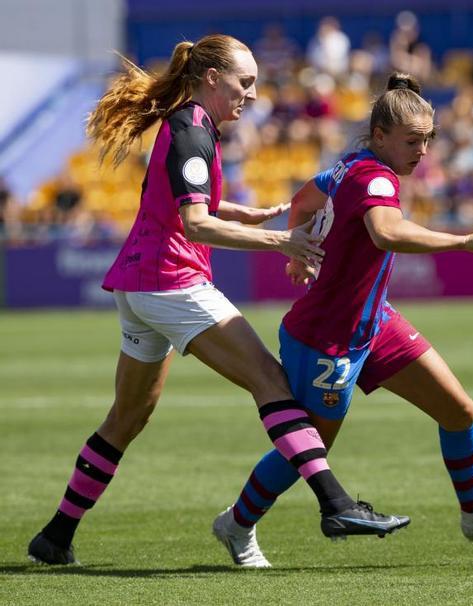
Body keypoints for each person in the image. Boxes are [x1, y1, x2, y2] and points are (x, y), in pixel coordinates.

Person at [27, 34, 409, 566]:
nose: (251, 94)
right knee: (271, 382)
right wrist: (282, 239)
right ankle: (335, 503)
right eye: (244, 82)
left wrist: (239, 212)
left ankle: (55, 535)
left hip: (140, 287)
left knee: (128, 416)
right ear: (211, 78)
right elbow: (194, 223)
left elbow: (186, 201)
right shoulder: (190, 129)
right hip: (170, 282)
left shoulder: (194, 125)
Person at [213, 73, 473, 568]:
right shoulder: (376, 177)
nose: (424, 151)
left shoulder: (350, 166)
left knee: (459, 410)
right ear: (381, 135)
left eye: (428, 139)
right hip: (326, 337)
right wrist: (462, 241)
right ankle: (236, 524)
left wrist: (298, 246)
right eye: (413, 141)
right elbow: (386, 233)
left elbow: (304, 198)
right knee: (309, 447)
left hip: (374, 325)